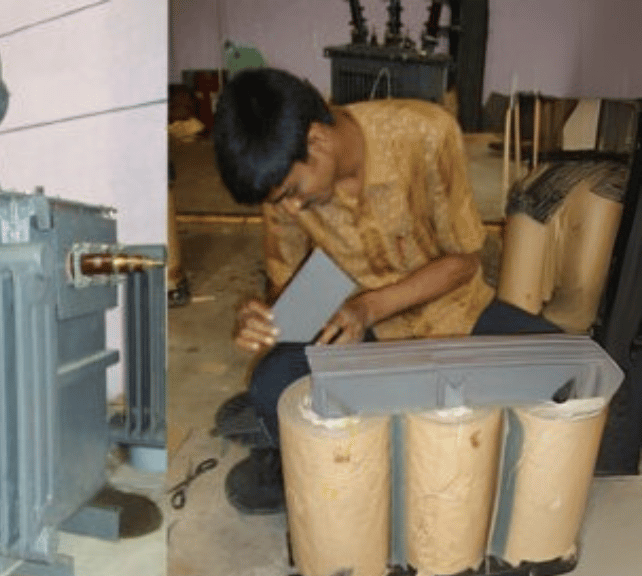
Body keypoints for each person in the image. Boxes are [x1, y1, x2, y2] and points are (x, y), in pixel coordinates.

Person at [213, 68, 558, 514]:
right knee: (271, 386)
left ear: (317, 140)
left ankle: (348, 434)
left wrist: (370, 307)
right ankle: (311, 449)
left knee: (564, 377)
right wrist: (261, 319)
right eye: (279, 200)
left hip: (451, 312)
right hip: (352, 332)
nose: (291, 208)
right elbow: (289, 285)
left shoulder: (425, 133)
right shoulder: (282, 182)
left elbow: (464, 261)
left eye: (294, 192)